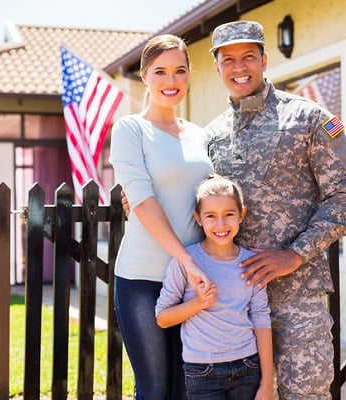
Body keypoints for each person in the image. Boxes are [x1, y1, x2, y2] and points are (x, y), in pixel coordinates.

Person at [205, 21, 346, 400]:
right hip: (235, 300)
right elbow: (201, 204)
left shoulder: (308, 119)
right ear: (217, 68)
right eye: (228, 59)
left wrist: (295, 254)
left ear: (264, 60)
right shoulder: (211, 135)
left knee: (306, 395)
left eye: (248, 57)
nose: (239, 67)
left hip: (298, 298)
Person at [109, 34, 215, 400]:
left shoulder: (200, 136)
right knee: (154, 390)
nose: (171, 81)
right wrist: (186, 259)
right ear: (144, 76)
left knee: (189, 389)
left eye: (179, 71)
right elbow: (141, 200)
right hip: (142, 279)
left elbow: (208, 199)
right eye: (161, 72)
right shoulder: (130, 130)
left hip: (192, 282)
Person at [156, 174, 274, 400]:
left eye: (229, 214)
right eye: (211, 216)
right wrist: (198, 304)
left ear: (242, 214)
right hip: (202, 371)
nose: (221, 224)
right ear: (198, 218)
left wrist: (267, 383)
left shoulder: (251, 263)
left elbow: (261, 319)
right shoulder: (187, 263)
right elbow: (162, 318)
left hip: (248, 367)